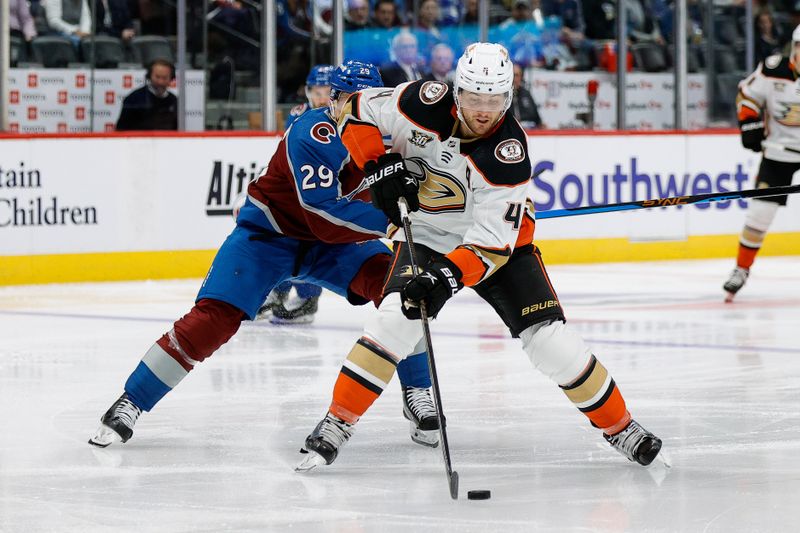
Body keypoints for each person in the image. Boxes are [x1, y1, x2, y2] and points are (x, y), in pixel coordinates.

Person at [297, 42, 662, 472]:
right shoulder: (421, 102)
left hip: (499, 248)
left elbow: (490, 245)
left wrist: (445, 279)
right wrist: (376, 163)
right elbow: (354, 109)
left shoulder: (509, 154)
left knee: (551, 343)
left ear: (508, 96)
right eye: (474, 98)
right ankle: (338, 421)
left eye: (494, 100)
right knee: (395, 319)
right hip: (428, 235)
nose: (484, 110)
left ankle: (621, 426)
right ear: (456, 91)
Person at [89, 61, 441, 450]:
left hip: (337, 245)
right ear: (335, 100)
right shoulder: (314, 132)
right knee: (212, 320)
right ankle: (132, 400)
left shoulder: (394, 134)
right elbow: (324, 215)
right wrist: (393, 220)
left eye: (370, 100)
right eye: (350, 99)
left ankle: (418, 393)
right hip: (270, 237)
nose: (360, 108)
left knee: (406, 294)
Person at [724, 25, 800, 302]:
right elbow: (747, 95)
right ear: (793, 48)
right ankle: (741, 269)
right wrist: (749, 123)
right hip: (778, 153)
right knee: (760, 214)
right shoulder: (772, 69)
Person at [263, 64, 336, 325]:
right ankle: (278, 291)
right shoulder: (298, 114)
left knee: (310, 241)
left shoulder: (341, 117)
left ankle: (308, 297)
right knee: (281, 235)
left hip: (323, 191)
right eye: (315, 91)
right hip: (296, 187)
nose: (319, 97)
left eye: (325, 91)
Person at [115, 59, 178, 131]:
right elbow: (121, 129)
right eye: (157, 77)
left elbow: (177, 129)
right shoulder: (133, 98)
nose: (160, 82)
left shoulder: (174, 100)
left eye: (164, 78)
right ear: (149, 76)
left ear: (171, 79)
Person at [510, 63, 545, 128]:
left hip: (530, 130)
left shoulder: (526, 93)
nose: (514, 78)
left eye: (517, 75)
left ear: (521, 77)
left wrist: (541, 125)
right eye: (513, 75)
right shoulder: (503, 96)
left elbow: (536, 116)